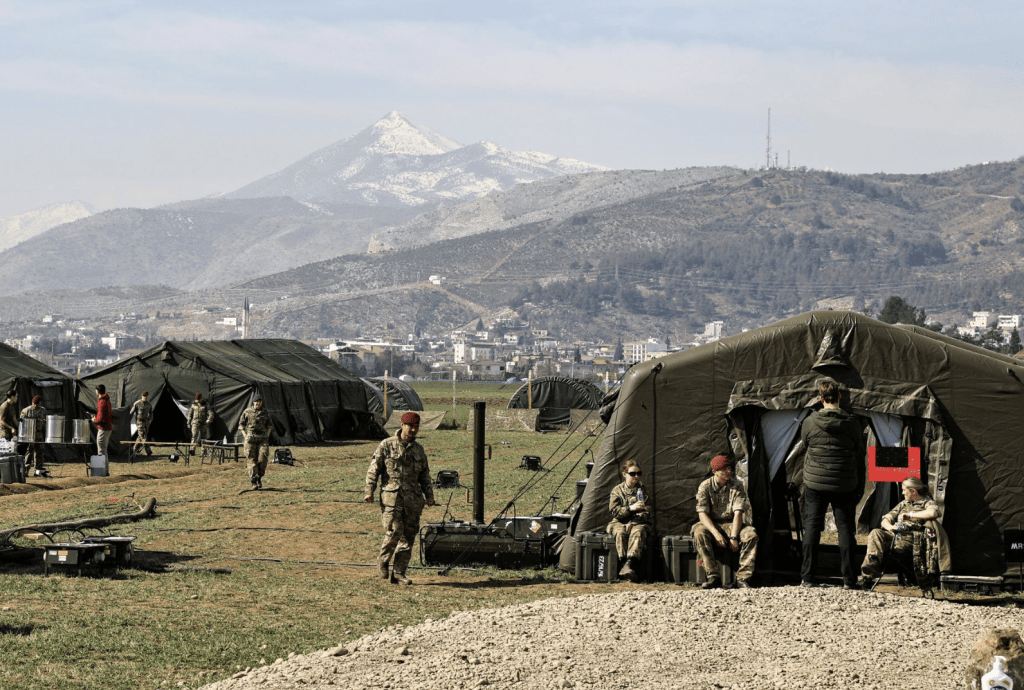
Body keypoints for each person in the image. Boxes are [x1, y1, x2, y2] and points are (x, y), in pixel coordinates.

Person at [799, 379, 865, 589]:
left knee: (812, 527)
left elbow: (805, 443)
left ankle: (808, 577)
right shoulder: (852, 423)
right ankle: (849, 579)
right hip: (844, 484)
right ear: (839, 398)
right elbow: (858, 449)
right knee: (845, 530)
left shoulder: (810, 422)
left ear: (821, 399)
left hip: (815, 482)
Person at [364, 411, 436, 585]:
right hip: (392, 498)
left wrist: (429, 496)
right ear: (402, 425)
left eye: (416, 426)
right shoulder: (386, 445)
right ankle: (383, 560)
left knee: (409, 535)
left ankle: (399, 573)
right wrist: (369, 491)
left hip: (413, 499)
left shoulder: (419, 450)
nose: (413, 430)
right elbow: (374, 469)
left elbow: (425, 475)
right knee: (395, 530)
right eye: (410, 426)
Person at [859, 476, 948, 589]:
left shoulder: (926, 503)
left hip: (913, 540)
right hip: (896, 536)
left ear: (912, 491)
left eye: (904, 490)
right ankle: (871, 568)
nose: (902, 493)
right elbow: (886, 519)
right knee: (875, 533)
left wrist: (910, 515)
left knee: (879, 542)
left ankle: (870, 573)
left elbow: (933, 513)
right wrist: (891, 528)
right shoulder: (904, 504)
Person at [691, 455, 759, 589]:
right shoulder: (705, 486)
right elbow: (702, 514)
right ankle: (713, 576)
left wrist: (733, 536)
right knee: (699, 532)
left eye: (729, 468)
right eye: (723, 469)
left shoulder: (737, 486)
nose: (728, 471)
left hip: (731, 523)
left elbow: (738, 513)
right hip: (712, 523)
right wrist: (716, 533)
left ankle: (743, 578)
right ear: (715, 471)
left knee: (751, 534)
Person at [606, 460, 651, 582]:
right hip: (619, 522)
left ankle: (629, 565)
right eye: (632, 473)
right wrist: (629, 509)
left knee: (638, 531)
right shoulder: (617, 491)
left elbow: (647, 511)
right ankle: (623, 564)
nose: (636, 476)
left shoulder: (643, 489)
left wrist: (633, 522)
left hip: (638, 522)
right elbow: (614, 511)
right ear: (624, 474)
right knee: (620, 532)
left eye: (638, 473)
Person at [238, 393, 272, 490]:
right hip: (250, 440)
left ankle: (259, 478)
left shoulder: (265, 413)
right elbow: (241, 425)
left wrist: (267, 436)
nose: (258, 404)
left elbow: (270, 426)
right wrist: (245, 435)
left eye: (259, 402)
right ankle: (253, 482)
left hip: (262, 439)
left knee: (263, 459)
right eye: (256, 402)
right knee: (252, 461)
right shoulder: (247, 412)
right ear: (253, 402)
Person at [20, 395, 48, 476]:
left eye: (37, 404)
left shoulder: (43, 411)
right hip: (29, 434)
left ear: (40, 403)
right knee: (29, 452)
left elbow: (45, 422)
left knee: (39, 452)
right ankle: (25, 470)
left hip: (39, 434)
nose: (36, 406)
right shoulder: (26, 411)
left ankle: (38, 470)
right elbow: (22, 423)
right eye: (34, 404)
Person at [130, 391, 153, 457]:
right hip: (139, 422)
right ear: (142, 396)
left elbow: (151, 412)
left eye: (146, 397)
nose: (145, 398)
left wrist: (150, 420)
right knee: (143, 436)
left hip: (146, 422)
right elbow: (131, 412)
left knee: (140, 437)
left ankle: (134, 449)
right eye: (144, 397)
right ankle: (148, 451)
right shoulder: (137, 404)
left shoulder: (149, 404)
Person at [93, 384, 113, 458]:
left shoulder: (102, 402)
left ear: (98, 391)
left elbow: (100, 419)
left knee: (101, 451)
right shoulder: (107, 400)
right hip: (107, 428)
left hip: (103, 428)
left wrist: (94, 420)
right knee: (104, 451)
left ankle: (102, 469)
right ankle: (105, 469)